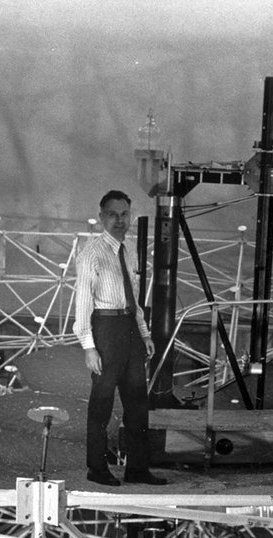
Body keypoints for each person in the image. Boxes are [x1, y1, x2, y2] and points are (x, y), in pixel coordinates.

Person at [72, 189, 168, 487]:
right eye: (112, 214)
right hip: (105, 330)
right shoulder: (91, 253)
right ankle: (97, 470)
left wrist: (144, 333)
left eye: (124, 214)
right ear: (102, 217)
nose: (119, 220)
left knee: (138, 403)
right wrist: (89, 348)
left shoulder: (128, 250)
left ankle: (138, 469)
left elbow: (133, 298)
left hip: (129, 329)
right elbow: (83, 304)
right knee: (101, 404)